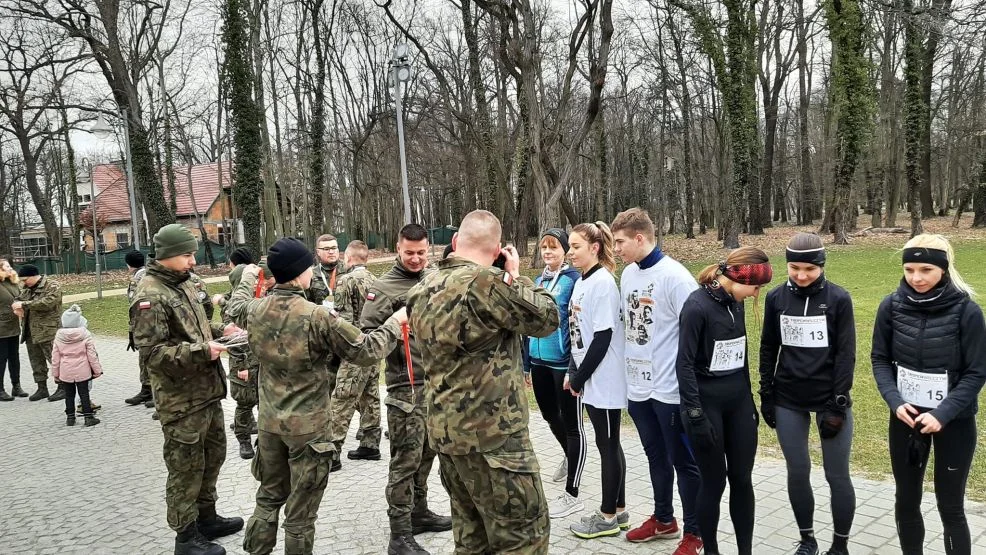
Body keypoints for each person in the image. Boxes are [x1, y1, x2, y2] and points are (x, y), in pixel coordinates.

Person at [225, 238, 406, 555]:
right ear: (300, 272)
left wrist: (250, 276)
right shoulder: (317, 316)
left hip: (269, 425)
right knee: (301, 514)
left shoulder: (255, 310)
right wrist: (395, 322)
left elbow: (235, 306)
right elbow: (365, 351)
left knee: (268, 497)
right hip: (308, 431)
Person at [406, 209, 560, 554]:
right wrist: (516, 276)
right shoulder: (486, 284)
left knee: (472, 538)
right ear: (496, 252)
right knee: (524, 537)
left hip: (448, 438)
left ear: (456, 242)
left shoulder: (423, 288)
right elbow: (547, 316)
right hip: (495, 442)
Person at [130, 224, 243, 555]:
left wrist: (225, 330)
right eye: (187, 254)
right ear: (167, 256)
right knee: (185, 469)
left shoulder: (186, 285)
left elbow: (200, 328)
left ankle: (207, 519)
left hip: (206, 392)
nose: (194, 260)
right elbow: (153, 355)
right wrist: (204, 351)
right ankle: (185, 536)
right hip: (180, 401)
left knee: (212, 459)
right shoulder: (150, 295)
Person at [871, 233, 986, 555]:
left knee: (950, 506)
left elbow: (977, 371)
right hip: (906, 418)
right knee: (906, 500)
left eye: (925, 270)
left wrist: (943, 413)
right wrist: (894, 401)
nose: (916, 278)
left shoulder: (968, 312)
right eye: (910, 269)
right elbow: (880, 359)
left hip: (954, 422)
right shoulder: (890, 306)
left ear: (944, 270)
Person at [611, 208, 703, 554]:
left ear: (639, 238)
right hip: (639, 388)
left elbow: (697, 330)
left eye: (620, 242)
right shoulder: (630, 275)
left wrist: (691, 383)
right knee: (655, 457)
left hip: (670, 390)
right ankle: (664, 519)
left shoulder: (675, 276)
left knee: (684, 461)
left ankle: (696, 532)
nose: (616, 249)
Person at [759, 233, 856, 555]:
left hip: (829, 398)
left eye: (809, 269)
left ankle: (839, 546)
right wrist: (766, 394)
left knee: (836, 475)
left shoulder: (839, 299)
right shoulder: (776, 298)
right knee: (798, 472)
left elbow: (846, 354)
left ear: (822, 266)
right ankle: (807, 540)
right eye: (794, 268)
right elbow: (768, 347)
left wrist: (838, 402)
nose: (801, 275)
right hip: (789, 398)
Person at [360, 223, 452, 555]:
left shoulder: (434, 279)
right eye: (409, 252)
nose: (416, 259)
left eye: (422, 252)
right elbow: (367, 340)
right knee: (404, 463)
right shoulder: (382, 288)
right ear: (397, 249)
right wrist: (396, 328)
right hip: (405, 389)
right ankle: (399, 535)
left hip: (438, 384)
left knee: (427, 454)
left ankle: (419, 512)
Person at [676, 246, 772, 555]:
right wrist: (694, 414)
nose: (757, 293)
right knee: (714, 482)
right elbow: (685, 364)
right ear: (737, 278)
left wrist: (751, 402)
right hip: (706, 405)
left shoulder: (736, 302)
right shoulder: (696, 305)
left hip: (737, 402)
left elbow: (740, 354)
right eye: (755, 286)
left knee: (742, 478)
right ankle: (712, 551)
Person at [565, 222, 628, 540]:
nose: (570, 252)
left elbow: (603, 337)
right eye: (570, 246)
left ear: (595, 248)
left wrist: (580, 377)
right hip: (590, 374)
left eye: (576, 246)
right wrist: (573, 371)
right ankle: (619, 510)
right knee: (610, 442)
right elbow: (580, 333)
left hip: (603, 377)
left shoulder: (603, 282)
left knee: (607, 445)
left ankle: (606, 517)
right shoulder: (582, 281)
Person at [524, 229, 584, 519]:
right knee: (549, 415)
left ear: (564, 250)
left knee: (571, 423)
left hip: (561, 362)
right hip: (537, 360)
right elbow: (529, 322)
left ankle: (574, 485)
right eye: (543, 248)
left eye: (553, 248)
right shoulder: (538, 280)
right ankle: (567, 453)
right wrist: (525, 362)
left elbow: (576, 324)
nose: (547, 252)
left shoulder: (573, 280)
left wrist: (574, 364)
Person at [328, 240, 383, 461]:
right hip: (374, 345)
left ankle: (332, 451)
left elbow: (344, 321)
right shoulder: (378, 281)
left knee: (342, 397)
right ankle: (370, 443)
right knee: (370, 394)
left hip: (355, 348)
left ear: (347, 258)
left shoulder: (345, 281)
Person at [222, 264, 261, 460]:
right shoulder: (232, 307)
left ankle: (262, 441)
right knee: (245, 405)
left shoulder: (256, 300)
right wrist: (241, 366)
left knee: (264, 405)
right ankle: (244, 440)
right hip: (244, 365)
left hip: (261, 364)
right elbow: (232, 341)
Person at [12, 264, 64, 402]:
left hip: (48, 330)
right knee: (36, 361)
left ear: (34, 276)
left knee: (54, 360)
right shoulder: (27, 289)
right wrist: (16, 305)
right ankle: (42, 388)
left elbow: (48, 303)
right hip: (30, 331)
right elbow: (18, 298)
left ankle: (63, 387)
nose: (23, 283)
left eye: (25, 279)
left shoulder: (52, 285)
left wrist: (24, 305)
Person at [51, 304, 103, 427]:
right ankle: (88, 417)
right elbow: (92, 355)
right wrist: (97, 370)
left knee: (69, 395)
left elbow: (55, 357)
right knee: (84, 394)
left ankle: (70, 418)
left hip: (65, 370)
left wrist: (55, 374)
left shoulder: (59, 336)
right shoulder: (85, 334)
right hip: (83, 370)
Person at [124, 250, 154, 407]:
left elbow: (136, 306)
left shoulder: (141, 279)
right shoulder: (147, 275)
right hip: (142, 325)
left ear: (128, 265)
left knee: (150, 357)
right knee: (144, 358)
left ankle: (154, 392)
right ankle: (147, 390)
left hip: (147, 326)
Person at [0, 256, 25, 401]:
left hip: (13, 325)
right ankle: (0, 389)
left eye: (10, 266)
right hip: (1, 328)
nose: (10, 268)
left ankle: (16, 386)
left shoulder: (14, 282)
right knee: (1, 359)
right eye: (6, 267)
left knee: (14, 357)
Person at [308, 234, 347, 309]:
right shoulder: (311, 274)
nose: (331, 252)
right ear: (318, 252)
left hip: (345, 319)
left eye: (334, 248)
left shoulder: (348, 270)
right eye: (326, 249)